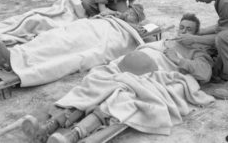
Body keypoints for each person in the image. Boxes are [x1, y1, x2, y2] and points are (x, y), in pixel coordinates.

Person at [18, 13, 215, 143]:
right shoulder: (167, 40)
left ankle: (72, 135)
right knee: (92, 86)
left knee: (117, 100)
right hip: (120, 69)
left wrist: (180, 60)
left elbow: (204, 73)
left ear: (197, 34)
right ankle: (49, 127)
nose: (184, 32)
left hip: (149, 77)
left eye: (189, 30)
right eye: (182, 27)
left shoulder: (196, 50)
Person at [0, 4, 146, 87]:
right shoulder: (114, 16)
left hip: (95, 37)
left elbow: (124, 45)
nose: (129, 14)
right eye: (130, 10)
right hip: (86, 28)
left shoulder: (131, 31)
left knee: (63, 46)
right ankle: (15, 53)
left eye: (133, 15)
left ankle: (13, 61)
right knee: (52, 37)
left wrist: (132, 29)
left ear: (136, 20)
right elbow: (96, 17)